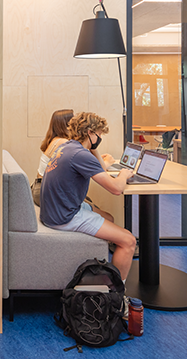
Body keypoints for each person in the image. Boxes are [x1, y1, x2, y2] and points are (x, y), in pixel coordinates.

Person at [40, 112, 136, 280]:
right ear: (90, 133)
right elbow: (115, 189)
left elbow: (100, 168)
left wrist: (93, 147)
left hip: (54, 211)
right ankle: (117, 292)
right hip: (65, 216)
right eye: (99, 134)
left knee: (108, 218)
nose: (100, 138)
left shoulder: (67, 147)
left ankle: (104, 267)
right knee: (129, 241)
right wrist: (124, 174)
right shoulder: (81, 155)